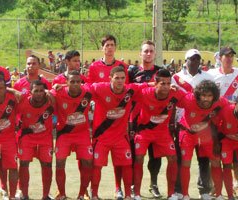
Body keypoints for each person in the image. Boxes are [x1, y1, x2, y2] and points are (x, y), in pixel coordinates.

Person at [86, 66, 148, 200]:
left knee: (126, 165)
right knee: (97, 166)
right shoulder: (100, 88)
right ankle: (94, 194)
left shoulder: (130, 89)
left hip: (120, 137)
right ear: (110, 79)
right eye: (117, 78)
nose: (120, 81)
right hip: (101, 136)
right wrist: (61, 85)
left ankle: (127, 195)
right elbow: (82, 88)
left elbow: (147, 85)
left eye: (122, 78)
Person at [170, 49, 215, 200]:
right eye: (191, 59)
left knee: (203, 158)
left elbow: (213, 100)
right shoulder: (176, 77)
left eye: (197, 59)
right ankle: (180, 190)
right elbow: (172, 99)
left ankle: (204, 190)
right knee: (181, 158)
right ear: (186, 61)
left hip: (203, 124)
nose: (194, 62)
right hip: (181, 123)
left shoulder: (209, 77)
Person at [132, 69, 184, 200]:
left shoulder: (175, 93)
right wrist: (148, 84)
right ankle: (137, 193)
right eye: (163, 83)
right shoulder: (145, 93)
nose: (166, 86)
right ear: (155, 83)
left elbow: (191, 96)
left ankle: (171, 194)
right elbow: (130, 89)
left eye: (168, 83)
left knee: (173, 158)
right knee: (139, 157)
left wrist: (180, 86)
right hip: (144, 131)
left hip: (162, 132)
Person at [176, 80, 229, 200]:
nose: (206, 99)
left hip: (206, 135)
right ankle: (185, 194)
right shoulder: (188, 100)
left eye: (210, 96)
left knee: (215, 161)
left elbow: (230, 105)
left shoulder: (219, 102)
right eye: (204, 95)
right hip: (187, 134)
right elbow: (172, 98)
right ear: (198, 95)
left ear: (214, 96)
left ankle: (219, 194)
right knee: (185, 163)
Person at [50, 71, 94, 200]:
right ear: (66, 83)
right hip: (64, 134)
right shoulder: (58, 93)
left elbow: (102, 86)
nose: (75, 84)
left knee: (87, 161)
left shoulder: (88, 91)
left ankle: (82, 193)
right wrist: (58, 87)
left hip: (82, 133)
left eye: (77, 82)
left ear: (81, 83)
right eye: (72, 82)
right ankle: (61, 193)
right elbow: (45, 93)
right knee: (59, 162)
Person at [15, 80, 55, 200]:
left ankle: (46, 195)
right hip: (27, 138)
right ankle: (24, 194)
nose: (38, 93)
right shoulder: (23, 103)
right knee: (23, 164)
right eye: (36, 91)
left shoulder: (51, 102)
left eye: (41, 91)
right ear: (30, 92)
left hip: (45, 137)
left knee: (47, 165)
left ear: (45, 92)